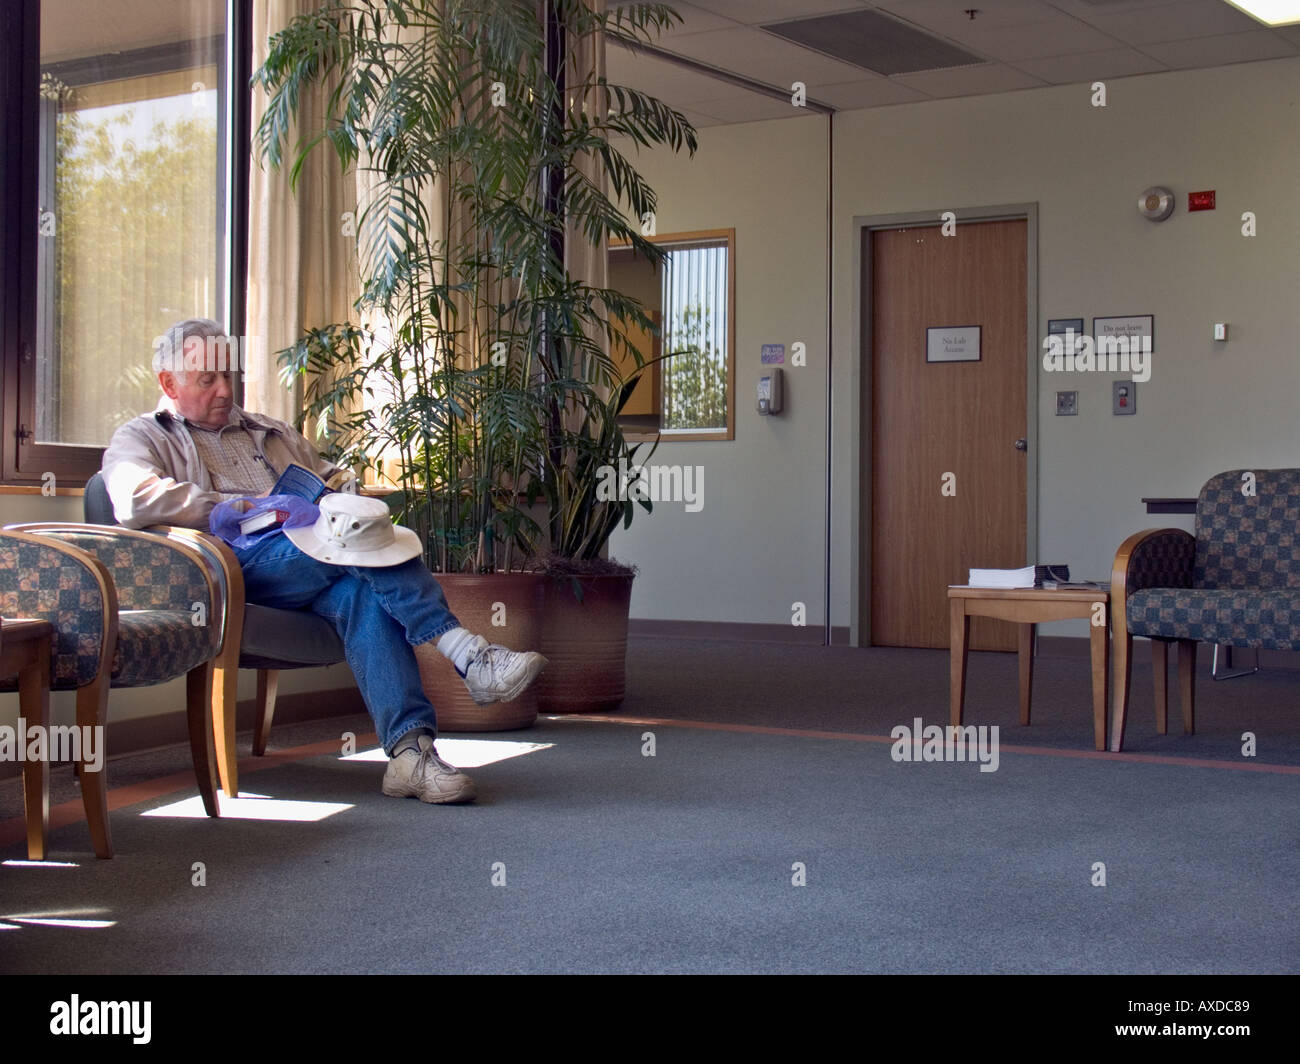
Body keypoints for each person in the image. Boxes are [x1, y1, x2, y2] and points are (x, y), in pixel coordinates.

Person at [101, 317, 546, 805]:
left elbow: (332, 476)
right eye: (208, 379)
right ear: (169, 383)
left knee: (362, 590)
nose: (225, 389)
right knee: (358, 547)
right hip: (232, 567)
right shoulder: (143, 435)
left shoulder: (269, 431)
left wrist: (342, 499)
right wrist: (238, 507)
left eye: (229, 375)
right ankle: (468, 655)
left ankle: (409, 755)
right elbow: (136, 499)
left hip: (314, 558)